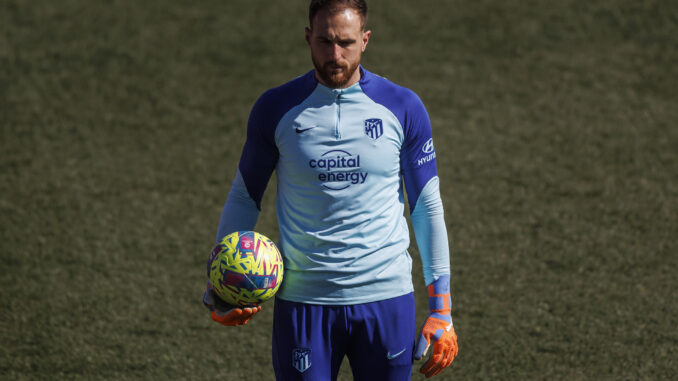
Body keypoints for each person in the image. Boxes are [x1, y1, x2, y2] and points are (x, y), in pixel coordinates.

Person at [202, 0, 458, 379]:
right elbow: (244, 196)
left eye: (346, 43)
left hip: (386, 297)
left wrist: (441, 309)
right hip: (304, 302)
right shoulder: (275, 109)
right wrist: (220, 289)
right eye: (324, 42)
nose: (335, 55)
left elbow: (426, 206)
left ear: (365, 40)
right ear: (308, 38)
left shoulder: (403, 107)